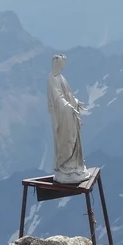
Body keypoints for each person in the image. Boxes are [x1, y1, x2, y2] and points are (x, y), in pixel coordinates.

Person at [46, 54, 90, 184]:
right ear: (57, 64)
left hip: (68, 114)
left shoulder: (60, 78)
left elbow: (67, 95)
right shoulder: (52, 79)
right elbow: (58, 98)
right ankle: (65, 165)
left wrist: (75, 102)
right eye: (62, 63)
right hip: (63, 117)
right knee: (67, 139)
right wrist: (69, 107)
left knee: (73, 138)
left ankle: (74, 164)